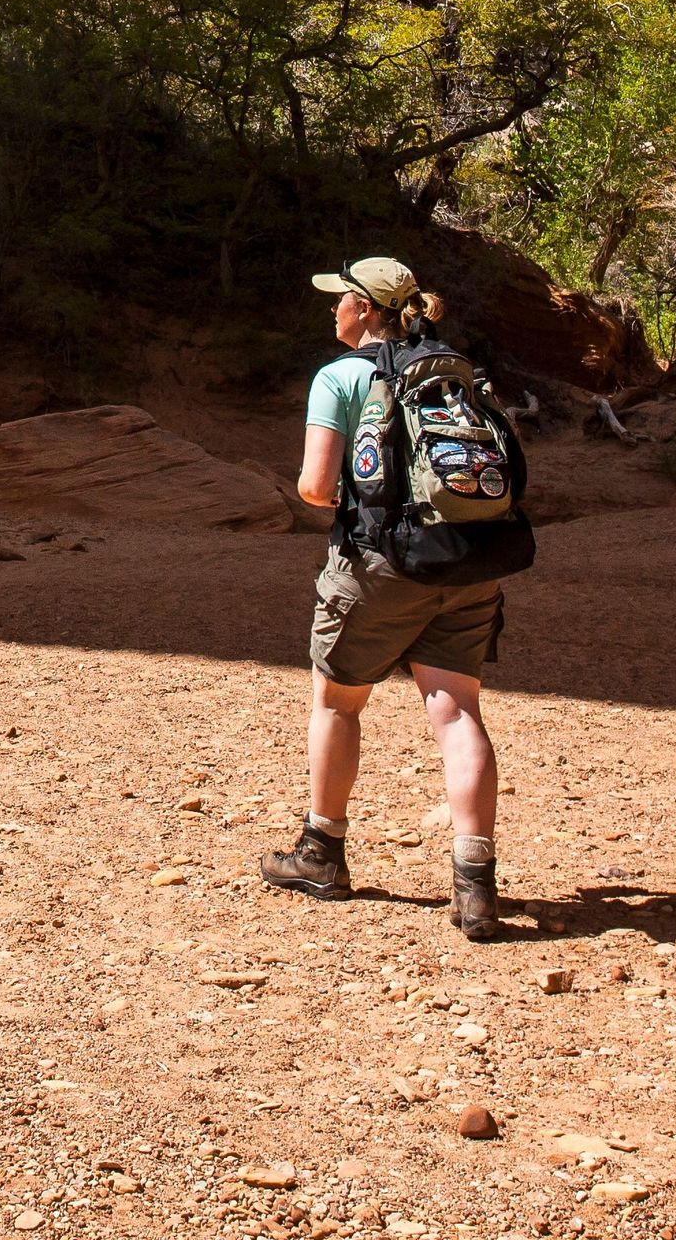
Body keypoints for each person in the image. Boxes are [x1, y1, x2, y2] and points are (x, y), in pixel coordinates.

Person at [257, 252, 506, 939]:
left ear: (365, 310)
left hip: (380, 563)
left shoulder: (340, 375)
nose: (331, 307)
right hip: (468, 557)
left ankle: (321, 853)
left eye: (340, 299)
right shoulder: (456, 368)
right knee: (457, 711)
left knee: (338, 701)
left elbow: (313, 486)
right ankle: (475, 885)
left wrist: (374, 507)